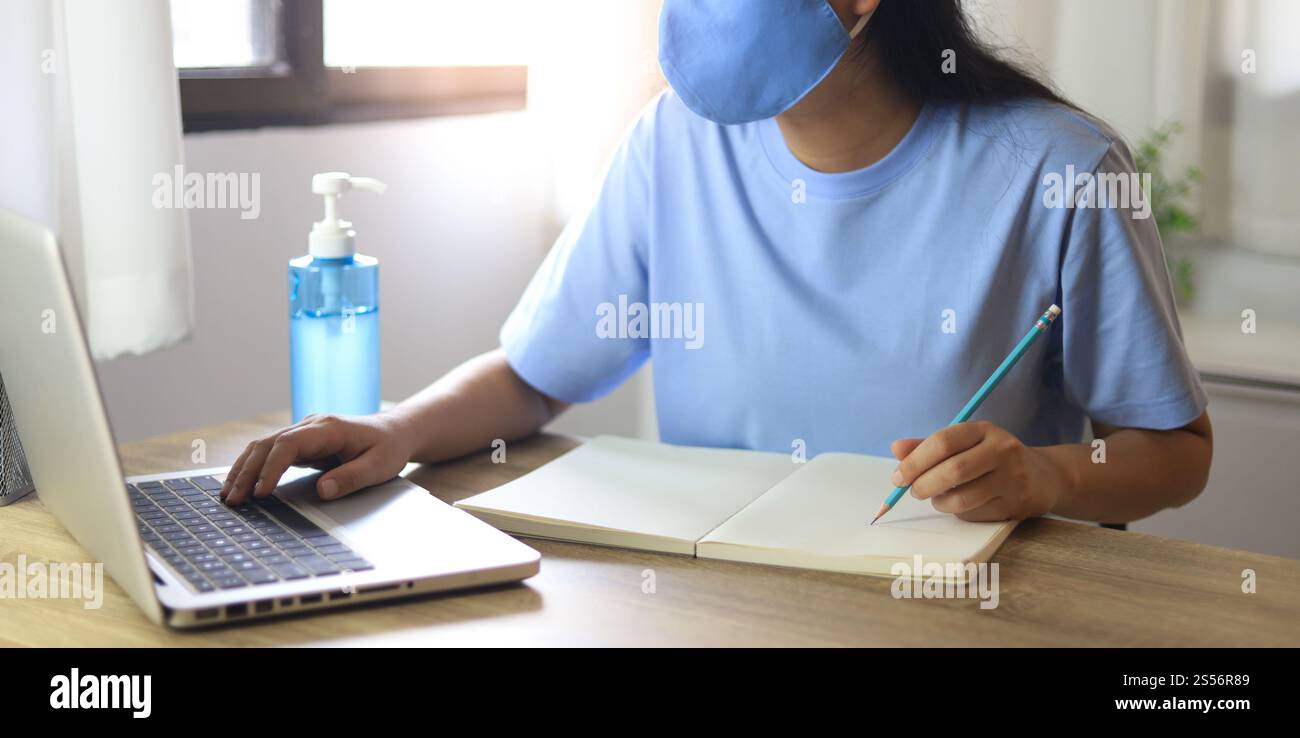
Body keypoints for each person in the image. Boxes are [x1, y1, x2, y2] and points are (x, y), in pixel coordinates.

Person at [221, 0, 1212, 524]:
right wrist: (392, 431)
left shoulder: (1061, 170)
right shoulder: (672, 143)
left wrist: (1041, 478)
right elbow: (533, 376)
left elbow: (1174, 451)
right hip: (718, 606)